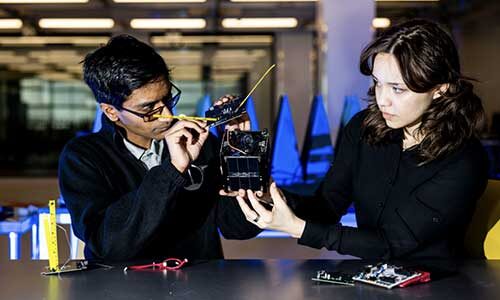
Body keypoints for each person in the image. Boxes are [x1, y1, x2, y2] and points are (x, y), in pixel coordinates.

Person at [234, 19, 489, 259]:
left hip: (439, 285)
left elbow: (395, 243)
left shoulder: (464, 159)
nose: (382, 99)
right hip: (373, 278)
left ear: (439, 91)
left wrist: (299, 228)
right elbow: (328, 205)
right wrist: (277, 197)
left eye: (397, 88)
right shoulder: (364, 127)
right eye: (378, 83)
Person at [58, 34, 260, 262]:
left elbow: (241, 227)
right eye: (149, 109)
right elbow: (108, 245)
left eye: (167, 99)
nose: (167, 115)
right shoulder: (83, 157)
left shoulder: (199, 143)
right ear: (111, 111)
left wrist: (241, 148)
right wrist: (173, 170)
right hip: (120, 290)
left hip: (198, 287)